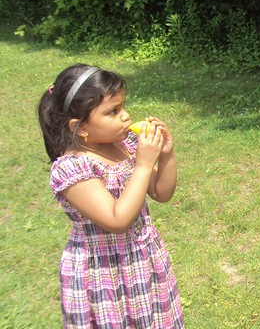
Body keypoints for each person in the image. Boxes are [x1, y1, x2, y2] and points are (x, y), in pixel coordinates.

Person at [38, 64, 183, 328]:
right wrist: (143, 165)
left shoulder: (125, 145)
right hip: (103, 273)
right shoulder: (73, 168)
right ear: (80, 127)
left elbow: (161, 193)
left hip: (142, 258)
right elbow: (117, 220)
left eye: (123, 106)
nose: (126, 116)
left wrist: (165, 156)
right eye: (113, 111)